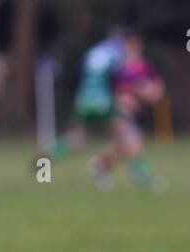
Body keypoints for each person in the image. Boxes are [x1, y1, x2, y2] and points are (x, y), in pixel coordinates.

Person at [90, 31, 164, 190]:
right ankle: (142, 177)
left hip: (133, 112)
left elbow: (157, 88)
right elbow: (116, 90)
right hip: (118, 111)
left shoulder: (145, 66)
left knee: (122, 145)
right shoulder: (119, 67)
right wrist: (138, 91)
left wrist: (150, 93)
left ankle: (101, 167)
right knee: (132, 140)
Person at [44, 29, 125, 162]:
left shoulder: (93, 51)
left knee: (78, 137)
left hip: (84, 97)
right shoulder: (116, 52)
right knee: (125, 135)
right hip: (102, 99)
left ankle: (49, 154)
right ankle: (138, 175)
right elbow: (117, 76)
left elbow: (77, 73)